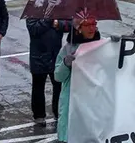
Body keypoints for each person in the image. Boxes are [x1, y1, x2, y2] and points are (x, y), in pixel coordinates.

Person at [55, 11, 101, 143]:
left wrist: (115, 47)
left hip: (94, 102)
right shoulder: (68, 49)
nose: (92, 28)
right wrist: (65, 63)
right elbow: (58, 76)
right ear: (78, 28)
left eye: (94, 24)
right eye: (87, 24)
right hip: (73, 103)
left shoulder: (102, 46)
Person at [27, 18, 71, 125]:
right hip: (38, 56)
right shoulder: (35, 9)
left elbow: (69, 24)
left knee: (58, 85)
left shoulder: (59, 8)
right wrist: (49, 20)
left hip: (55, 54)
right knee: (38, 86)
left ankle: (58, 112)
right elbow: (33, 29)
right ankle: (39, 115)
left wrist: (59, 24)